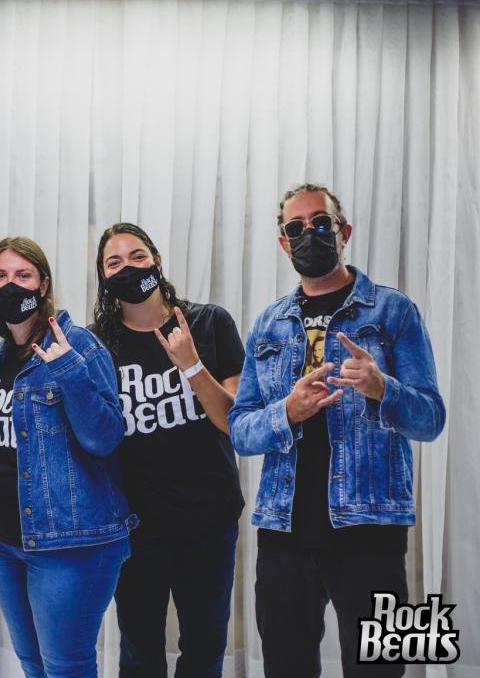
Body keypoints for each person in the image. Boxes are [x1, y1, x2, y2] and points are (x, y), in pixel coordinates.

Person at [229, 183, 446, 678]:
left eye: (321, 223)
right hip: (283, 531)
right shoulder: (267, 323)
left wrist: (381, 387)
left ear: (343, 232)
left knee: (381, 670)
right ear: (283, 243)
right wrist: (287, 411)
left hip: (374, 529)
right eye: (296, 228)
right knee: (285, 668)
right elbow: (240, 430)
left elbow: (431, 419)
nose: (310, 234)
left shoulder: (394, 310)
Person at [90, 223, 244, 678]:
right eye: (114, 262)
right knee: (139, 654)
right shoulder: (96, 343)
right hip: (136, 527)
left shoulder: (209, 323)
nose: (128, 267)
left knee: (204, 648)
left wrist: (192, 365)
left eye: (137, 256)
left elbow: (233, 422)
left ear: (157, 261)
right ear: (103, 277)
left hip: (208, 520)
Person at [0, 236, 133, 678]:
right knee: (32, 664)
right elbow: (1, 446)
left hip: (70, 541)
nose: (10, 285)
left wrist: (69, 371)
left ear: (43, 285)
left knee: (65, 667)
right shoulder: (3, 354)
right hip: (8, 541)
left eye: (22, 275)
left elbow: (104, 437)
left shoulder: (79, 345)